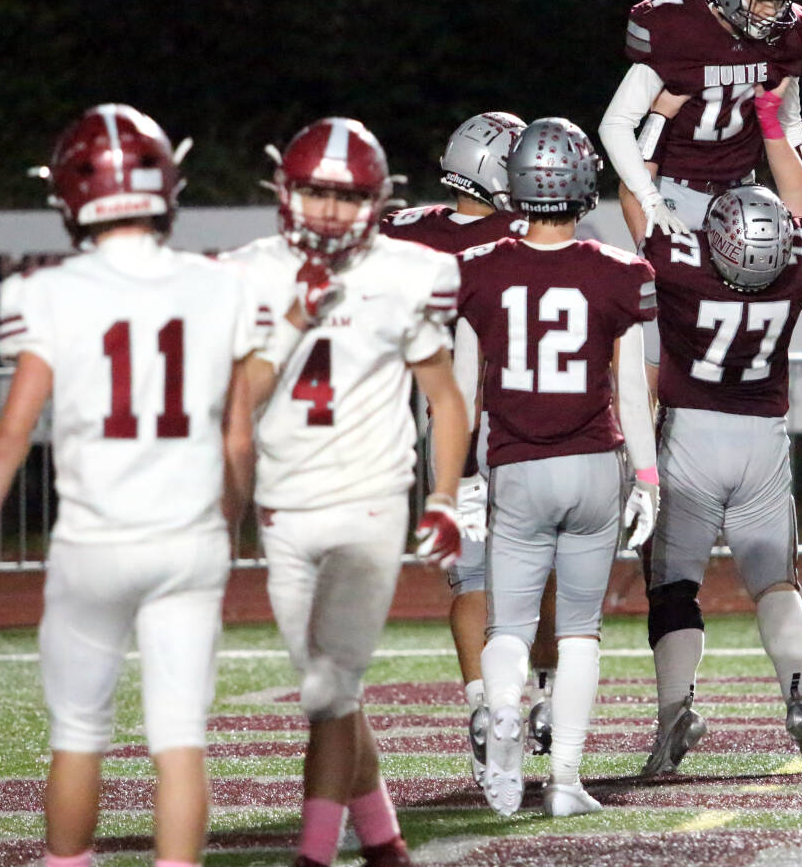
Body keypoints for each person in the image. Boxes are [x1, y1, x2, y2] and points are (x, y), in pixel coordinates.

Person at [0, 104, 264, 867]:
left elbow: (11, 433)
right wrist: (225, 524)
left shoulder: (46, 293)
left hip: (92, 543)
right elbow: (238, 437)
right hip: (187, 539)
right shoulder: (222, 285)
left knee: (78, 734)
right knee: (179, 738)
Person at [218, 116, 470, 867]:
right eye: (315, 192)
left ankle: (316, 853)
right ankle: (385, 838)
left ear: (376, 199)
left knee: (328, 689)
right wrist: (296, 313)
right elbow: (240, 397)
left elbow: (447, 399)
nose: (327, 209)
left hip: (369, 495)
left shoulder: (409, 269)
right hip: (283, 506)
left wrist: (444, 495)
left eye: (345, 194)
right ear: (284, 191)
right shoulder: (245, 270)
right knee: (333, 691)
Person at [637, 88, 802, 777]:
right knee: (775, 583)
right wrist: (771, 115)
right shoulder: (796, 269)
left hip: (690, 441)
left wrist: (655, 118)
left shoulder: (682, 269)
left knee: (674, 588)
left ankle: (677, 711)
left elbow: (633, 191)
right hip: (762, 437)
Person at [455, 118, 658, 818]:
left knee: (507, 629)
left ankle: (506, 710)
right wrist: (650, 480)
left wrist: (457, 480)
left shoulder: (478, 270)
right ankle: (566, 781)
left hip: (515, 467)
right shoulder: (620, 272)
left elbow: (461, 391)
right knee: (578, 631)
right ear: (583, 185)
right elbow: (632, 390)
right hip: (593, 466)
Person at [380, 111, 561, 781]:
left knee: (473, 582)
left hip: (448, 428)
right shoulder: (526, 231)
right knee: (541, 577)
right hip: (532, 422)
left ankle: (486, 707)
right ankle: (537, 694)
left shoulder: (404, 231)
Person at [598, 0, 802, 242]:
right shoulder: (676, 28)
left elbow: (788, 124)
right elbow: (617, 123)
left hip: (744, 195)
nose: (772, 13)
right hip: (673, 188)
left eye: (779, 1)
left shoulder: (788, 36)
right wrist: (650, 199)